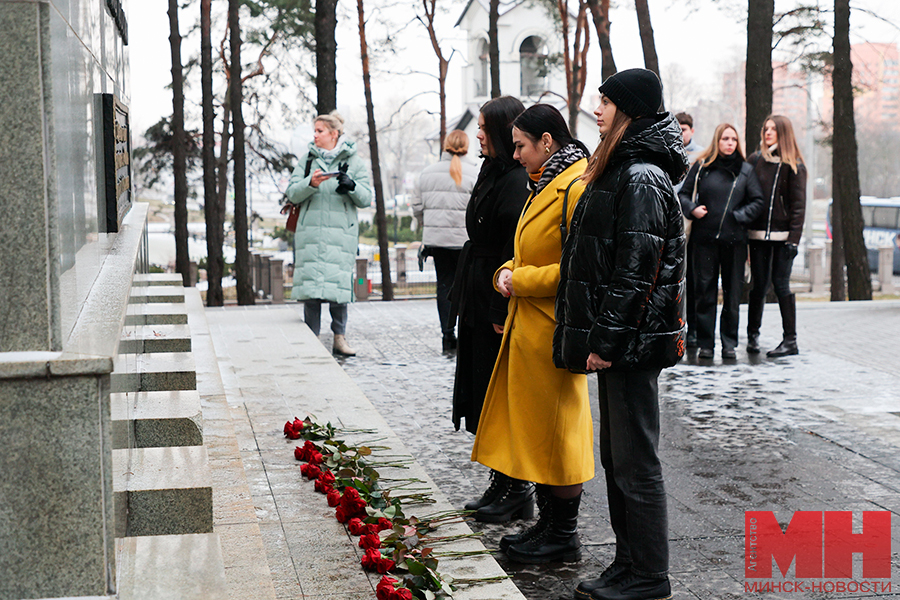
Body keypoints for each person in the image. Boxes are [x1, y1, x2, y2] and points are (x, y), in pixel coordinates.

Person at [554, 68, 686, 600]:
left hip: (630, 345)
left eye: (605, 102)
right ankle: (627, 563)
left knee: (636, 462)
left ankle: (649, 575)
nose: (597, 111)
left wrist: (604, 344)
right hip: (620, 343)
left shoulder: (641, 177)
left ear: (628, 110)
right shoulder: (623, 168)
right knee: (618, 459)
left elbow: (636, 272)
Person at [470, 103, 591, 562]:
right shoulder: (546, 183)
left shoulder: (573, 187)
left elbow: (578, 268)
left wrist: (518, 280)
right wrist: (507, 269)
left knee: (559, 435)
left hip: (553, 330)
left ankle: (563, 533)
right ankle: (548, 524)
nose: (514, 154)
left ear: (546, 141)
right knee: (542, 431)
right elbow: (527, 249)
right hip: (532, 327)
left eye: (520, 145)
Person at [452, 97, 530, 517]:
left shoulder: (516, 179)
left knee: (498, 391)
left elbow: (510, 247)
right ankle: (501, 481)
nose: (477, 133)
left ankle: (516, 487)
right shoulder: (492, 168)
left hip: (495, 296)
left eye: (484, 127)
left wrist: (501, 311)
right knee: (483, 389)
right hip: (480, 289)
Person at [285, 111, 372, 356]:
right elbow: (292, 193)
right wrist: (309, 184)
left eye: (320, 131)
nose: (315, 135)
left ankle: (339, 338)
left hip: (340, 235)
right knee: (311, 291)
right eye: (315, 130)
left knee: (338, 290)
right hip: (310, 234)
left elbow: (366, 198)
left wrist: (352, 186)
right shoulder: (308, 161)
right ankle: (310, 339)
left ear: (334, 134)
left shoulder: (354, 162)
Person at [679, 123, 765, 359]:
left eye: (733, 140)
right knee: (704, 293)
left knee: (732, 294)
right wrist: (693, 209)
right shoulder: (702, 166)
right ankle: (706, 344)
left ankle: (729, 344)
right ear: (717, 141)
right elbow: (683, 194)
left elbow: (758, 201)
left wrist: (739, 216)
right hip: (704, 240)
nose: (729, 143)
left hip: (734, 241)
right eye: (725, 139)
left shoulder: (746, 170)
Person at [745, 115, 808, 357]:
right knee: (758, 286)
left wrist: (793, 240)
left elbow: (798, 207)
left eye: (773, 129)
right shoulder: (755, 160)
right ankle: (752, 336)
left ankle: (790, 340)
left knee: (781, 285)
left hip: (783, 238)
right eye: (766, 128)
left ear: (783, 133)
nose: (768, 132)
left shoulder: (794, 165)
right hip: (758, 236)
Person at [411, 130, 479, 353]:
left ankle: (447, 335)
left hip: (437, 241)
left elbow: (417, 208)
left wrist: (428, 224)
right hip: (465, 242)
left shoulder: (426, 174)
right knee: (467, 288)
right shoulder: (474, 173)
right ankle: (465, 334)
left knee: (444, 285)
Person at [674, 112, 705, 349]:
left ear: (692, 130)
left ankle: (691, 327)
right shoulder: (666, 152)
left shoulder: (702, 156)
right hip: (669, 221)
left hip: (691, 223)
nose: (681, 133)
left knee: (692, 277)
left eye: (684, 128)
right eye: (678, 128)